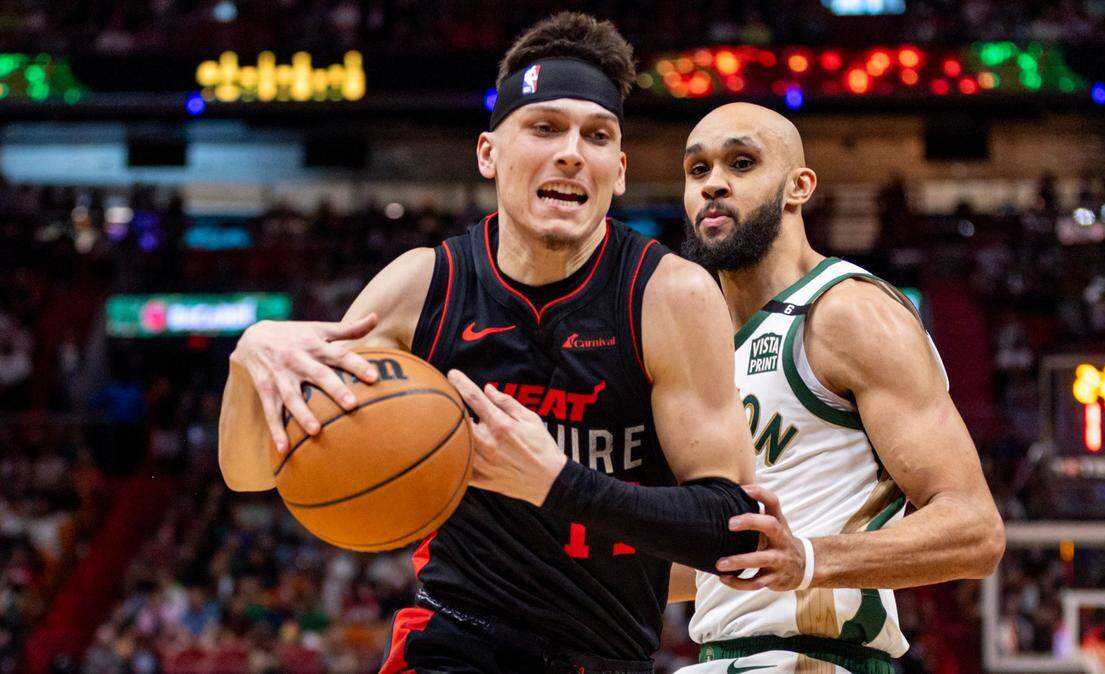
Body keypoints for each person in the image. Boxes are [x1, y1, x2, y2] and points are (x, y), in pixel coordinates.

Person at [217, 14, 761, 674]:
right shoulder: (423, 287)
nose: (570, 152)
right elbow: (251, 471)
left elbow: (730, 530)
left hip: (605, 654)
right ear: (487, 153)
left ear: (617, 172)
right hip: (454, 638)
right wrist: (250, 354)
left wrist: (559, 483)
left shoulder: (669, 296)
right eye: (544, 127)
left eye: (596, 136)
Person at [668, 103, 1006, 673]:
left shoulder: (846, 312)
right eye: (697, 171)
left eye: (742, 163)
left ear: (799, 187)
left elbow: (975, 530)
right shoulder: (699, 342)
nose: (714, 184)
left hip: (820, 659)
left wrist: (806, 558)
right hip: (719, 659)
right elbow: (720, 564)